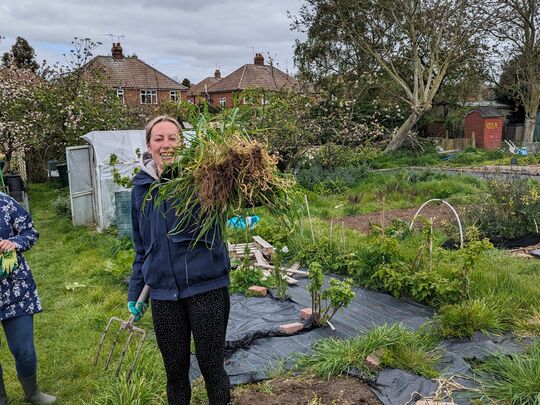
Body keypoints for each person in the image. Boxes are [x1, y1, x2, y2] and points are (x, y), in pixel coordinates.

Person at [128, 115, 231, 405]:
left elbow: (234, 191)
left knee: (213, 370)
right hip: (163, 295)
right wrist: (135, 291)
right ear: (149, 145)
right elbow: (141, 247)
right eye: (159, 139)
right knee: (174, 374)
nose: (166, 144)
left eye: (173, 138)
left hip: (206, 290)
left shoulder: (201, 178)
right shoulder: (140, 190)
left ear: (183, 143)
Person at [0, 192, 56, 405]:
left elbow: (30, 232)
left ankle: (32, 392)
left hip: (16, 290)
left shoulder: (5, 203)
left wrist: (13, 243)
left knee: (24, 350)